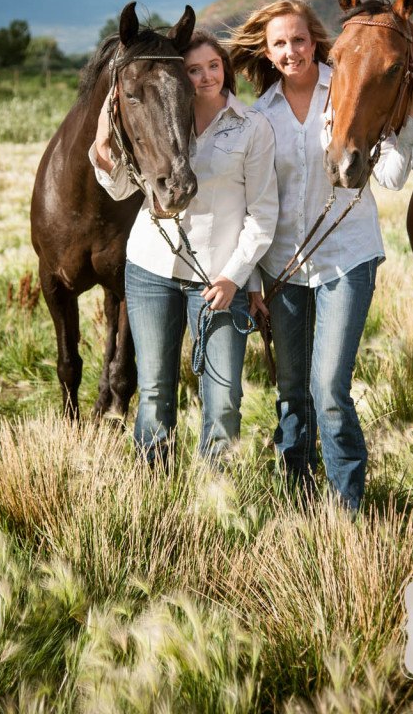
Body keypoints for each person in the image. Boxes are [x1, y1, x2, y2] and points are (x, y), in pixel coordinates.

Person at [230, 0, 413, 510]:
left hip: (346, 260)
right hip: (283, 268)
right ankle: (296, 501)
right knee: (292, 391)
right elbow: (255, 204)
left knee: (329, 389)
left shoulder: (348, 83)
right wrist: (254, 281)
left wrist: (412, 117)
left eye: (299, 39)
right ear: (268, 50)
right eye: (279, 43)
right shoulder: (262, 115)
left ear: (315, 41)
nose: (291, 50)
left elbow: (389, 178)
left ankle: (348, 507)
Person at [90, 29, 278, 465]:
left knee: (224, 393)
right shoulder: (162, 118)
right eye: (193, 70)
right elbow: (121, 190)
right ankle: (153, 486)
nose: (206, 76)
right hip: (150, 269)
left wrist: (235, 277)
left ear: (225, 70)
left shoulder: (252, 128)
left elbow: (262, 216)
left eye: (213, 66)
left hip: (217, 279)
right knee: (155, 389)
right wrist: (102, 146)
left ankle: (217, 494)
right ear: (180, 76)